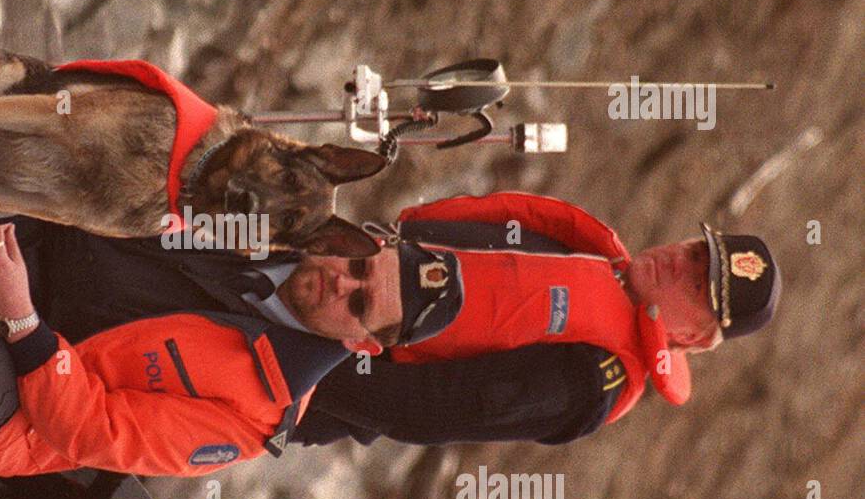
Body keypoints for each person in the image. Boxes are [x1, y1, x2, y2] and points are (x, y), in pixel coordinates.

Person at [0, 216, 462, 477]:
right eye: (357, 267)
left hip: (20, 399)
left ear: (363, 345)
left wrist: (21, 321)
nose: (340, 284)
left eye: (359, 306)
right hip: (25, 255)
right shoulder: (266, 216)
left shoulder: (256, 419)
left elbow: (93, 431)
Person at [293, 191, 782, 448]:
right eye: (696, 253)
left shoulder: (593, 379)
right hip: (325, 274)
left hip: (311, 366)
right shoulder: (591, 255)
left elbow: (428, 410)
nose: (680, 264)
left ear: (692, 336)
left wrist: (307, 364)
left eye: (697, 285)